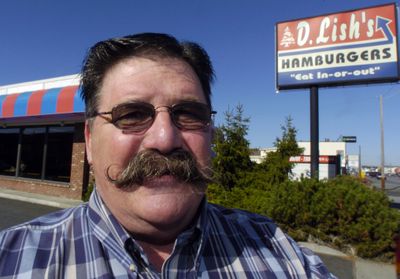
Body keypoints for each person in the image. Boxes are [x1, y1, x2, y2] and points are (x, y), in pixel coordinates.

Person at [0, 33, 336, 278]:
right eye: (131, 114)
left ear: (210, 133)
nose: (165, 138)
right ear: (89, 141)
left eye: (188, 113)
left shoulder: (280, 252)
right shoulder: (15, 259)